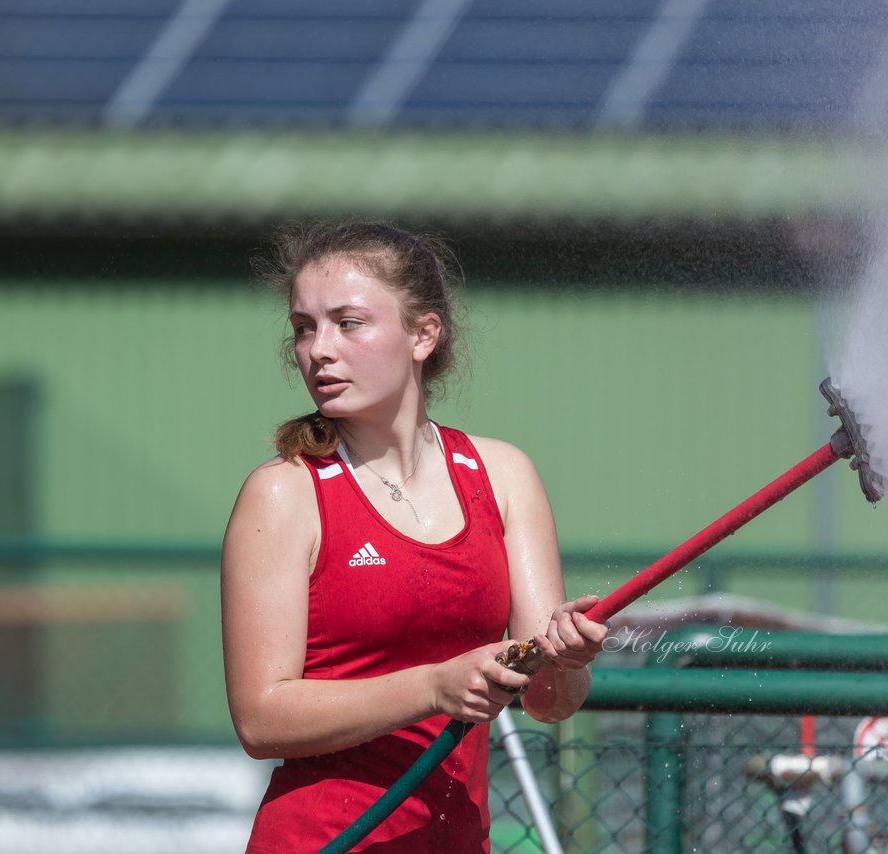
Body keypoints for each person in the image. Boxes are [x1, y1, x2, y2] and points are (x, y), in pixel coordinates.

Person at [221, 220, 607, 853]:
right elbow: (261, 719)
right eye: (304, 327)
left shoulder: (503, 475)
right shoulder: (285, 492)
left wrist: (565, 658)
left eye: (349, 323)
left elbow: (549, 701)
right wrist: (432, 687)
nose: (319, 349)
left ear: (423, 334)